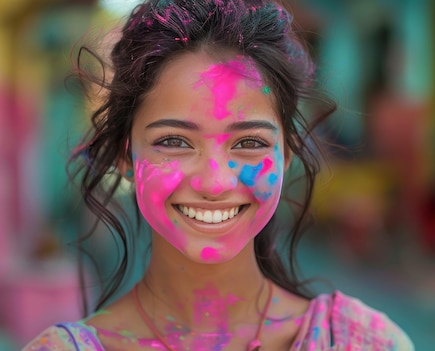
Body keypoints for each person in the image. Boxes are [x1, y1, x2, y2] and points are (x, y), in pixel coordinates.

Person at [23, 0, 414, 350]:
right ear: (127, 156)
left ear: (287, 154)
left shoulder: (365, 342)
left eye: (249, 143)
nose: (215, 183)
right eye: (174, 141)